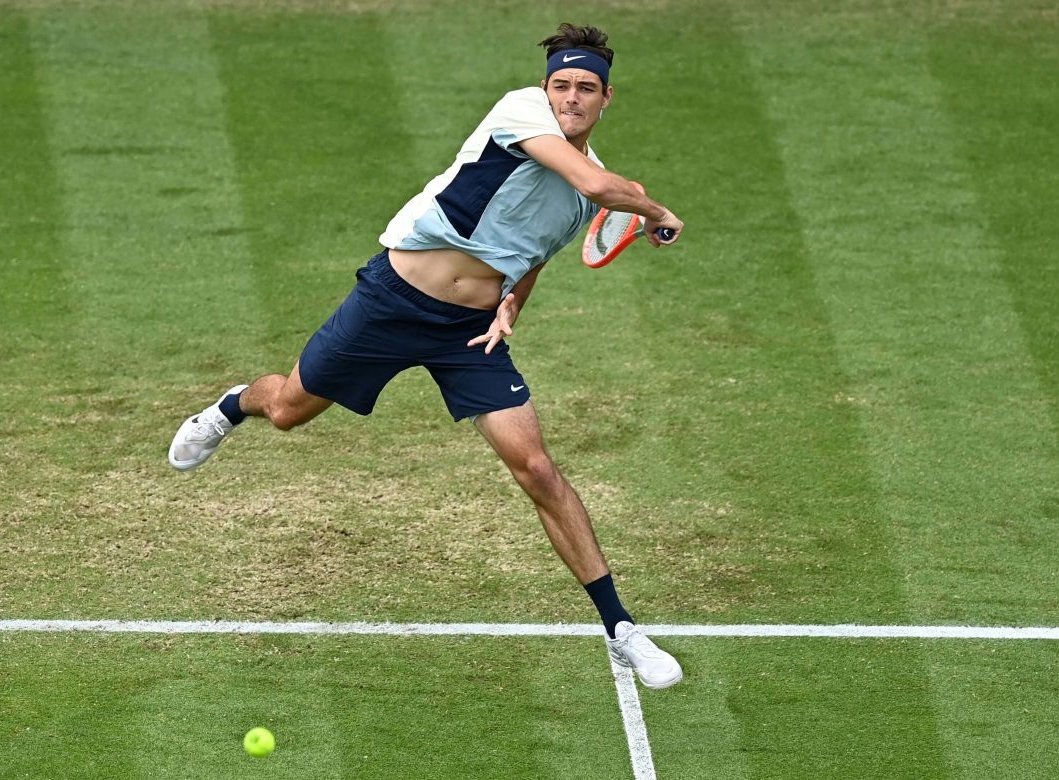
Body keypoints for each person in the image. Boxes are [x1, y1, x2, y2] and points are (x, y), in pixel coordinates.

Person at [168, 23, 685, 689]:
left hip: (467, 335)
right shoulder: (520, 113)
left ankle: (621, 629)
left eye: (586, 89)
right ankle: (232, 406)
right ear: (545, 88)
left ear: (606, 98)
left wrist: (510, 310)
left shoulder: (583, 194)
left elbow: (530, 256)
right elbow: (602, 183)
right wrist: (656, 210)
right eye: (562, 85)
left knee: (537, 470)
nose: (571, 98)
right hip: (391, 302)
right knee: (291, 409)